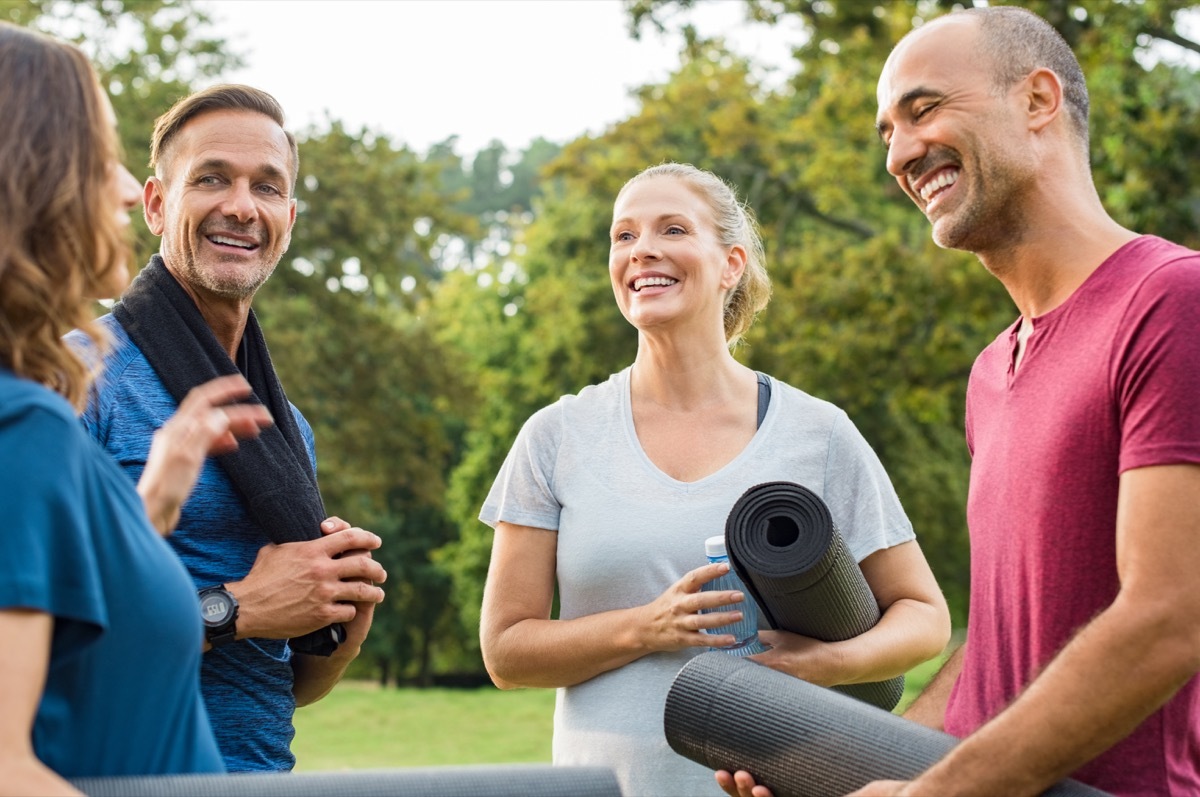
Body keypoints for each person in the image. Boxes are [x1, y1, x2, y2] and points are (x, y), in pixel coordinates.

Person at [717, 7, 1200, 797]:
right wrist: (840, 771)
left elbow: (1169, 617)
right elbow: (996, 659)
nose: (900, 154)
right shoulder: (990, 373)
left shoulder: (1171, 301)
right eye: (886, 134)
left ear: (1038, 100)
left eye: (924, 108)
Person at [479, 162, 951, 797]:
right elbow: (506, 652)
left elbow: (924, 617)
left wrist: (826, 665)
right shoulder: (557, 435)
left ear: (730, 263)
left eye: (672, 229)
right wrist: (646, 627)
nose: (642, 249)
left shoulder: (819, 433)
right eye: (624, 236)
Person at [72, 84, 388, 773]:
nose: (242, 207)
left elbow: (282, 687)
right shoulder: (77, 377)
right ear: (156, 205)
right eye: (212, 178)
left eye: (267, 188)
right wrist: (235, 607)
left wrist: (337, 628)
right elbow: (40, 638)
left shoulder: (285, 427)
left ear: (289, 217)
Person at [0, 22, 278, 796]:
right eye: (102, 159)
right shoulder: (27, 423)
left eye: (266, 184)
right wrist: (240, 606)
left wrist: (150, 505)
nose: (125, 189)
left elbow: (74, 629)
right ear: (33, 184)